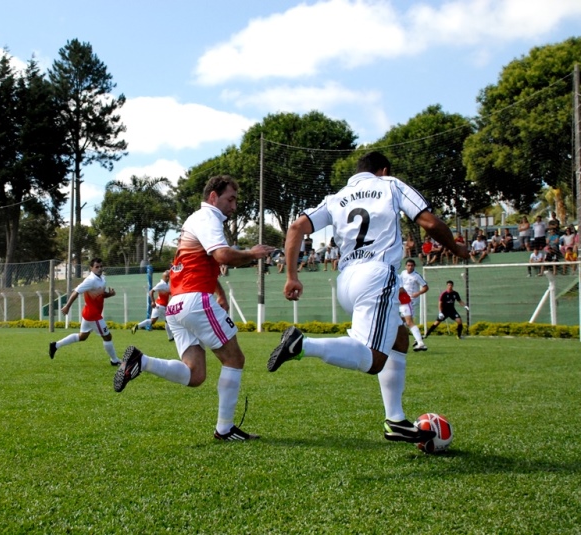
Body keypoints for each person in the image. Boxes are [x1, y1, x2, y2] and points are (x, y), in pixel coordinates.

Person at [267, 151, 468, 444]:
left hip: (347, 280)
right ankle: (302, 345)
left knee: (399, 337)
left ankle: (396, 420)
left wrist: (292, 276)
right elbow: (430, 223)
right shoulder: (391, 185)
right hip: (377, 274)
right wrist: (457, 249)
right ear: (383, 170)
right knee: (374, 360)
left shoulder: (337, 197)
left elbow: (296, 227)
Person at [113, 175, 276, 441]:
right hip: (194, 301)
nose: (234, 206)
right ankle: (225, 429)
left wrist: (219, 292)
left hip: (176, 305)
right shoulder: (208, 218)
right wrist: (251, 254)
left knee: (195, 374)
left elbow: (202, 264)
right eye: (230, 199)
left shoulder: (196, 220)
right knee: (234, 359)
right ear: (213, 197)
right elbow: (222, 256)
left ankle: (141, 361)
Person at [49, 258, 121, 366]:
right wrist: (67, 306)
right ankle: (114, 360)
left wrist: (109, 294)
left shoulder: (102, 278)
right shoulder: (90, 280)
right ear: (91, 268)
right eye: (97, 267)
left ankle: (55, 345)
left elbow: (100, 294)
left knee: (82, 336)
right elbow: (76, 292)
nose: (99, 268)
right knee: (107, 336)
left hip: (89, 313)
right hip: (93, 315)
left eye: (101, 266)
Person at [131, 270, 174, 342]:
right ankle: (170, 337)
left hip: (159, 305)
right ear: (163, 277)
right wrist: (152, 302)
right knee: (168, 320)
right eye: (166, 277)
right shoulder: (161, 284)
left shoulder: (167, 284)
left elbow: (169, 293)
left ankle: (137, 326)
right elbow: (151, 291)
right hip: (161, 306)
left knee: (152, 321)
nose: (168, 278)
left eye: (168, 276)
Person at [399, 259, 429, 351]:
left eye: (412, 265)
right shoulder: (402, 274)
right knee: (401, 322)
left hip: (410, 301)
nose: (410, 267)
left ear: (414, 266)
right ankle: (416, 340)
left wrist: (418, 293)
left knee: (408, 322)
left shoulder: (416, 276)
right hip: (401, 300)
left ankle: (420, 342)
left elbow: (425, 287)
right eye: (408, 265)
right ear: (405, 266)